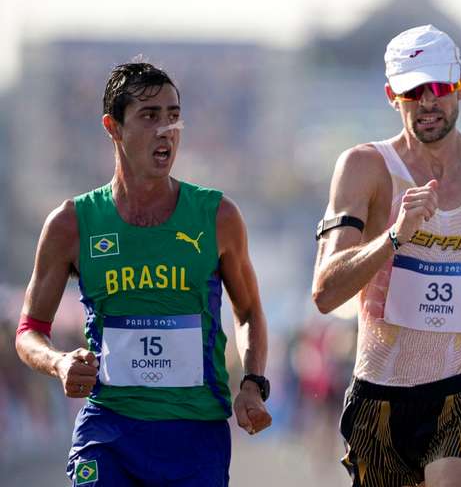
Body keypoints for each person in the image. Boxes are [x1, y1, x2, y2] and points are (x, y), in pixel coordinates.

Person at [15, 62, 272, 486]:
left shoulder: (217, 216)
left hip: (195, 435)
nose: (166, 130)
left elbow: (248, 312)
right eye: (149, 116)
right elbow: (29, 330)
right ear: (113, 127)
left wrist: (252, 385)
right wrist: (58, 362)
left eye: (173, 116)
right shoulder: (71, 223)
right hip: (109, 430)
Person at [312, 25, 461, 487]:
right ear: (391, 95)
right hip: (380, 394)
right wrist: (395, 235)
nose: (428, 101)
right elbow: (325, 291)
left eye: (439, 87)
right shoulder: (365, 169)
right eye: (412, 90)